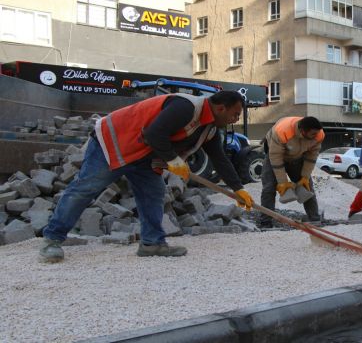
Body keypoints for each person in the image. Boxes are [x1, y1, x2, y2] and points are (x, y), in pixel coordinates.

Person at [39, 91, 254, 262]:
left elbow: (220, 159)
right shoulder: (186, 107)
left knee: (153, 193)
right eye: (235, 114)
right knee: (85, 189)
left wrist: (238, 190)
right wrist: (173, 160)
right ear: (220, 108)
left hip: (143, 153)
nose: (234, 119)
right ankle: (52, 240)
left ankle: (151, 243)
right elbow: (154, 133)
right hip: (115, 143)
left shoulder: (209, 130)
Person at [260, 116, 324, 227]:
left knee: (307, 186)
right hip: (273, 155)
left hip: (296, 157)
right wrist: (283, 182)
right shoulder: (282, 131)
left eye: (317, 133)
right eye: (313, 134)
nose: (316, 136)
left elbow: (311, 157)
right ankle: (266, 221)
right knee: (269, 187)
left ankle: (314, 219)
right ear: (303, 131)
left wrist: (304, 177)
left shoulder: (318, 134)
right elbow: (276, 157)